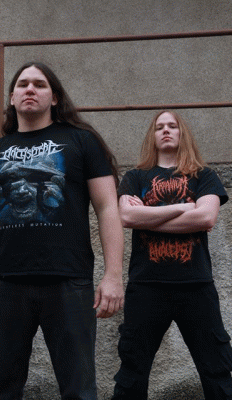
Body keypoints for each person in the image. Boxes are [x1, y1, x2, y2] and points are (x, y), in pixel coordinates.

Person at [0, 61, 125, 400]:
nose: (30, 89)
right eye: (22, 84)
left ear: (54, 97)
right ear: (12, 98)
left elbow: (108, 207)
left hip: (68, 279)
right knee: (2, 390)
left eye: (39, 84)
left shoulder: (82, 141)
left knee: (79, 390)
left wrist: (113, 275)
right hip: (5, 281)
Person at [112, 110, 232, 399]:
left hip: (196, 286)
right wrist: (186, 207)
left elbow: (206, 218)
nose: (166, 130)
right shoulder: (135, 177)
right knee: (132, 374)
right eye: (159, 127)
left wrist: (147, 215)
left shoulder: (204, 175)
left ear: (182, 133)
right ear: (152, 136)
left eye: (172, 126)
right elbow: (127, 217)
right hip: (146, 287)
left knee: (217, 371)